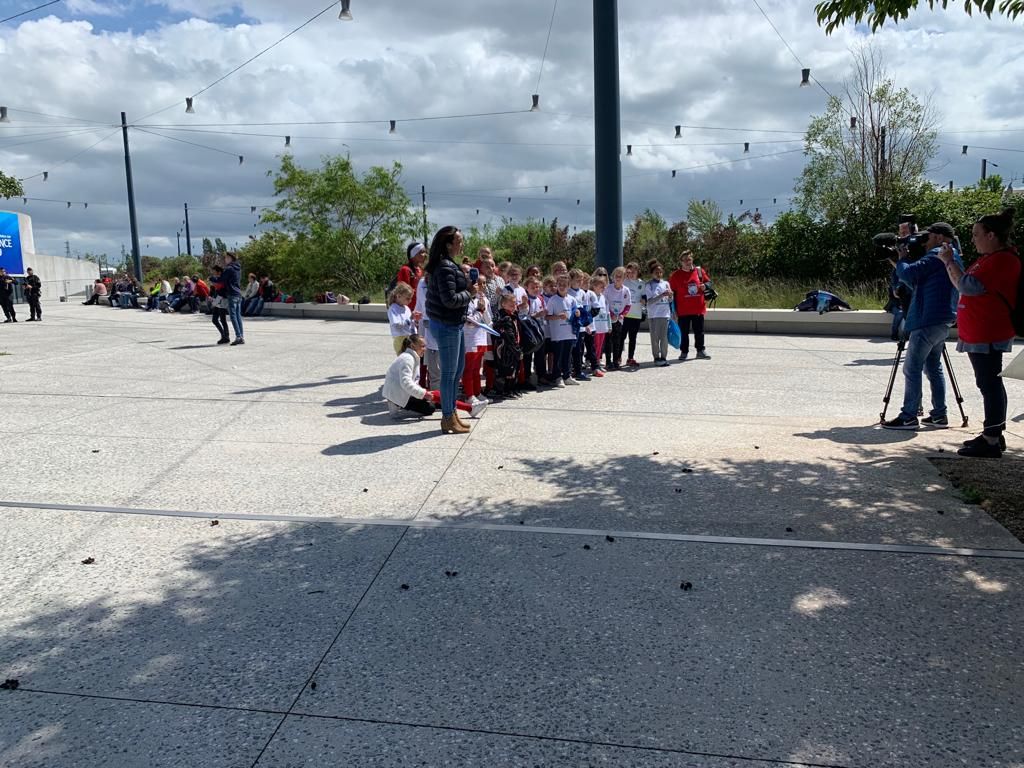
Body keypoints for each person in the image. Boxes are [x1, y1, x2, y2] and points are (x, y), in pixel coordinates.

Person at [937, 208, 1021, 457]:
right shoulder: (988, 258)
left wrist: (949, 261)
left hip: (989, 331)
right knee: (988, 383)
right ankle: (993, 433)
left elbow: (968, 286)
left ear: (992, 235)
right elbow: (965, 285)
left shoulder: (1003, 259)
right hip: (979, 331)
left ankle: (992, 439)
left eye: (976, 234)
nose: (973, 239)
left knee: (990, 384)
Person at [882, 223, 962, 431]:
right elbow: (917, 282)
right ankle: (939, 415)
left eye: (927, 237)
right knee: (933, 367)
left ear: (937, 237)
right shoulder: (952, 255)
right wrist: (899, 265)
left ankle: (909, 416)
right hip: (942, 318)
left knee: (912, 367)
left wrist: (901, 260)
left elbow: (909, 275)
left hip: (927, 319)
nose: (923, 242)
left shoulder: (936, 254)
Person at [425, 225, 476, 435]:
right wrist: (470, 293)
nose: (461, 244)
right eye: (459, 241)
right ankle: (447, 417)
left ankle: (452, 412)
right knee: (448, 374)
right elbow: (450, 300)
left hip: (453, 324)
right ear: (448, 244)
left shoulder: (446, 265)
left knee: (456, 371)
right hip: (447, 325)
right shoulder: (445, 267)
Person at [383, 335, 484, 419]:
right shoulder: (408, 359)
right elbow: (406, 382)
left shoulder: (410, 356)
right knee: (432, 402)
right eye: (422, 346)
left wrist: (423, 393)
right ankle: (470, 408)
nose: (425, 349)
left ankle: (469, 408)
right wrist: (424, 393)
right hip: (397, 395)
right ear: (413, 346)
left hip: (400, 392)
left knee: (433, 401)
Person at [668, 250, 712, 361]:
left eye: (689, 259)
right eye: (685, 260)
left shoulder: (699, 271)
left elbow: (709, 283)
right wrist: (673, 310)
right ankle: (684, 352)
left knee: (699, 331)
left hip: (698, 308)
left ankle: (700, 350)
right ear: (681, 262)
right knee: (684, 332)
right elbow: (671, 292)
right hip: (683, 310)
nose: (688, 262)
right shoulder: (676, 275)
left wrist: (705, 286)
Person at [546, 273, 580, 387]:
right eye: (559, 284)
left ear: (569, 286)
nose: (562, 287)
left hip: (569, 333)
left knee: (567, 355)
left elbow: (576, 314)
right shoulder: (553, 300)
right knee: (558, 356)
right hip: (558, 334)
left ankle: (567, 376)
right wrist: (558, 316)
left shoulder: (572, 299)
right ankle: (557, 377)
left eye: (564, 285)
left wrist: (577, 314)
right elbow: (547, 316)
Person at [462, 276, 491, 407]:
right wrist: (479, 310)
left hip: (481, 337)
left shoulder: (484, 299)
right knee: (468, 368)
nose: (481, 286)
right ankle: (469, 395)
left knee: (476, 369)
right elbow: (469, 321)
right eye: (477, 283)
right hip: (470, 339)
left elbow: (488, 320)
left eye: (483, 283)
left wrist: (482, 310)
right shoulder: (465, 300)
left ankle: (477, 392)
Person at [492, 291, 524, 398]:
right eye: (511, 304)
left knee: (515, 369)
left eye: (515, 304)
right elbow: (509, 336)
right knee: (507, 369)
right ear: (503, 304)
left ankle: (512, 388)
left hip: (515, 346)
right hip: (507, 348)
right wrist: (516, 350)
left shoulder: (514, 316)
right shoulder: (504, 318)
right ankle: (505, 390)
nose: (514, 306)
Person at [643, 260, 673, 367]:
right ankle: (656, 357)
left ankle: (664, 357)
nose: (659, 274)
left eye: (660, 272)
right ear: (652, 273)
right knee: (655, 338)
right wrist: (661, 295)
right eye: (656, 272)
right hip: (654, 315)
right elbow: (649, 302)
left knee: (664, 338)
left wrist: (670, 296)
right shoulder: (649, 285)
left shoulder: (666, 283)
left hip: (665, 314)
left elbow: (670, 300)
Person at [603, 266, 632, 370]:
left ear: (624, 278)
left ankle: (616, 361)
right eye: (616, 276)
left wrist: (622, 314)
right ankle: (608, 361)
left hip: (619, 320)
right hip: (609, 319)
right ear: (613, 277)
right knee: (608, 341)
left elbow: (628, 305)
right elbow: (604, 303)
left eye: (620, 276)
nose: (618, 278)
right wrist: (611, 314)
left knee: (617, 341)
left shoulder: (626, 290)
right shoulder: (608, 289)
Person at [622, 261, 644, 368]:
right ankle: (617, 357)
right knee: (621, 337)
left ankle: (630, 358)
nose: (632, 274)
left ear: (638, 272)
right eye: (630, 272)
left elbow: (644, 296)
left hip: (636, 315)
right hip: (624, 315)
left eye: (634, 272)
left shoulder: (642, 283)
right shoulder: (624, 281)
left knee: (633, 338)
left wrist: (644, 300)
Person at [222, 252, 245, 345]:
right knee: (238, 316)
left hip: (231, 294)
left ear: (231, 258)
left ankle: (238, 336)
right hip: (238, 294)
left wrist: (212, 279)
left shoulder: (229, 268)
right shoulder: (238, 268)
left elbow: (222, 279)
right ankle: (241, 336)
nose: (225, 259)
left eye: (226, 257)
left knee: (233, 316)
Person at [387, 282, 417, 355]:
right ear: (398, 296)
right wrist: (409, 320)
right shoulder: (393, 308)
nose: (410, 301)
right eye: (407, 298)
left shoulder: (406, 308)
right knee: (404, 360)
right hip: (400, 338)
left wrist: (415, 321)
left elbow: (410, 322)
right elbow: (396, 324)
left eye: (411, 298)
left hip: (409, 336)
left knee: (412, 358)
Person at [396, 242, 427, 312]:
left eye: (425, 252)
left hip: (421, 309)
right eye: (421, 252)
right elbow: (403, 291)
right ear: (413, 255)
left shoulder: (421, 269)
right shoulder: (405, 270)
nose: (425, 255)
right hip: (409, 310)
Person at [590, 275, 610, 375]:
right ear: (594, 286)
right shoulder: (591, 296)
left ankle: (598, 362)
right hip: (595, 327)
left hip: (603, 326)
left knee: (600, 346)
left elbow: (607, 312)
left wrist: (609, 325)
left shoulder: (603, 297)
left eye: (603, 286)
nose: (603, 288)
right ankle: (594, 363)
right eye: (600, 286)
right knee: (595, 345)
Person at [209, 265, 230, 344]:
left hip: (222, 300)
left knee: (222, 319)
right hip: (217, 300)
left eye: (215, 272)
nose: (214, 274)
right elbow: (213, 290)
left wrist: (214, 302)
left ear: (219, 272)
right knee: (214, 320)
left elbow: (222, 292)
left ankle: (226, 336)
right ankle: (223, 335)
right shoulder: (216, 280)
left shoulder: (223, 280)